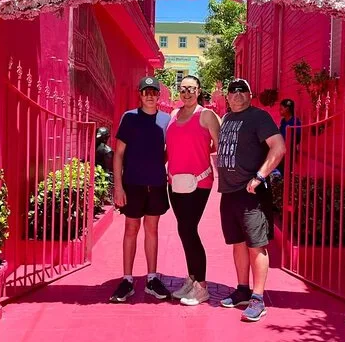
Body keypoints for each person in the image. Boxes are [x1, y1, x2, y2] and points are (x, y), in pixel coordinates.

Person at [216, 78, 286, 322]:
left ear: (250, 94)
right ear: (227, 97)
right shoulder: (227, 118)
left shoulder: (259, 117)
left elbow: (279, 147)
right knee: (238, 243)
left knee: (256, 245)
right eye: (232, 91)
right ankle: (243, 290)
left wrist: (259, 176)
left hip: (251, 193)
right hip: (229, 193)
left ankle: (258, 298)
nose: (237, 95)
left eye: (242, 91)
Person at [109, 76, 172, 303]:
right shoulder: (130, 118)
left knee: (152, 229)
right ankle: (127, 279)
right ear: (140, 94)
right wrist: (118, 187)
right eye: (146, 92)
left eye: (153, 92)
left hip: (156, 184)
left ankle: (151, 278)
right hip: (132, 184)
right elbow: (118, 154)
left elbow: (168, 151)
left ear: (158, 95)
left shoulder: (166, 120)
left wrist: (156, 166)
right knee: (131, 228)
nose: (150, 96)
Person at [166, 75, 221, 306]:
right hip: (175, 183)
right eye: (183, 89)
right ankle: (192, 278)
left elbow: (220, 147)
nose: (186, 93)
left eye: (191, 89)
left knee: (189, 229)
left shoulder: (206, 115)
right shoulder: (173, 114)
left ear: (198, 91)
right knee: (183, 230)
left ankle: (202, 287)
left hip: (199, 182)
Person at [277, 99, 301, 175]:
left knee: (287, 170)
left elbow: (298, 136)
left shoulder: (295, 121)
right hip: (281, 149)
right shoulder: (283, 121)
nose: (279, 110)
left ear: (287, 109)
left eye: (281, 108)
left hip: (290, 149)